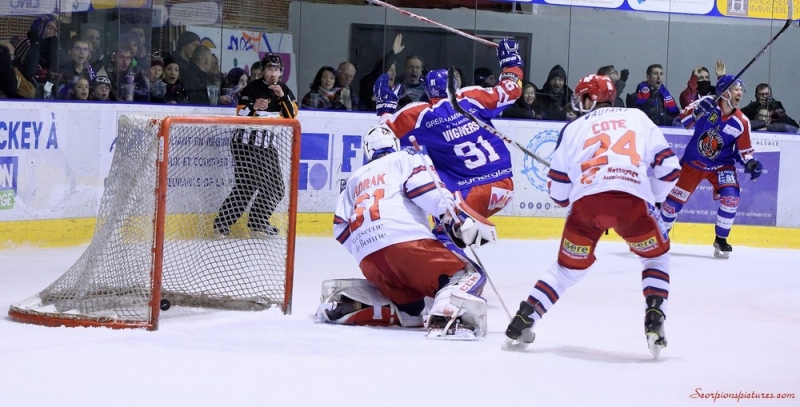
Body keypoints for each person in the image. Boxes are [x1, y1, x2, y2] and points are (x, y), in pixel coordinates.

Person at [502, 74, 681, 359]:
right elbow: (671, 171)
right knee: (655, 257)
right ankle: (655, 316)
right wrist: (650, 196)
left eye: (582, 96)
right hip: (633, 203)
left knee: (565, 271)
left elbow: (559, 194)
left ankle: (524, 320)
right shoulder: (638, 117)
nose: (578, 101)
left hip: (586, 208)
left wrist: (582, 187)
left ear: (591, 98)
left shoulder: (573, 128)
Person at [317, 125, 497, 340]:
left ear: (367, 151)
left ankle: (364, 302)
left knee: (412, 309)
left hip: (369, 259)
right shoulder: (407, 156)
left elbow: (340, 227)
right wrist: (453, 219)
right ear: (394, 144)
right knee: (468, 274)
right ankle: (450, 314)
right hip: (408, 244)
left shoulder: (353, 179)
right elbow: (427, 191)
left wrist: (370, 246)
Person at [375, 38, 524, 219]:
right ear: (454, 85)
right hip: (504, 186)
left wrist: (385, 107)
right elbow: (511, 89)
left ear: (428, 91)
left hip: (468, 192)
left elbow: (383, 134)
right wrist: (512, 63)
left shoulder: (422, 114)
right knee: (460, 232)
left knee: (444, 237)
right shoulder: (471, 97)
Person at [659, 75, 761, 259]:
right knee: (672, 204)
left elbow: (745, 152)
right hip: (693, 163)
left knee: (731, 199)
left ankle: (721, 239)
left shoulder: (742, 122)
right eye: (735, 88)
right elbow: (683, 121)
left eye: (740, 90)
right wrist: (697, 111)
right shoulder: (707, 102)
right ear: (724, 91)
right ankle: (660, 237)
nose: (739, 93)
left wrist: (751, 163)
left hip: (722, 166)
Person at [213, 53, 298, 238]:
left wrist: (282, 97)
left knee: (276, 188)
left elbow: (292, 116)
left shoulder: (284, 89)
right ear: (263, 70)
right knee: (247, 184)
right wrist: (253, 107)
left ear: (281, 72)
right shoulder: (252, 87)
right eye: (269, 69)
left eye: (276, 69)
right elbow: (240, 113)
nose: (273, 73)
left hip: (266, 144)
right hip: (245, 144)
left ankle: (258, 222)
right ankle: (222, 225)